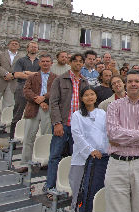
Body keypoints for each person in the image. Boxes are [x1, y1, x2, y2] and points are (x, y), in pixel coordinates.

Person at [105, 70, 139, 212]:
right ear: (125, 84)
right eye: (130, 81)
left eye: (136, 81)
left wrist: (123, 139)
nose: (133, 84)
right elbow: (113, 134)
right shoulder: (113, 106)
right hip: (117, 164)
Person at [46, 53, 88, 193]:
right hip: (63, 123)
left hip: (78, 126)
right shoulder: (60, 79)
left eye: (80, 61)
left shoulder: (84, 81)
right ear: (70, 63)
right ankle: (50, 186)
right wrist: (57, 122)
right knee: (55, 156)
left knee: (75, 157)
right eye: (75, 61)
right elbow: (53, 102)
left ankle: (72, 186)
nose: (78, 63)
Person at [17, 53, 57, 173]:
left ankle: (45, 161)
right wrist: (38, 100)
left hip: (47, 108)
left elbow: (55, 92)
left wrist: (44, 97)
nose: (45, 63)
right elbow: (26, 91)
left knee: (46, 136)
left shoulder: (55, 78)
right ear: (39, 63)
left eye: (47, 61)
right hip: (33, 108)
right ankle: (25, 162)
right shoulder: (32, 77)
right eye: (43, 61)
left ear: (51, 63)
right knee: (29, 136)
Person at [70, 86, 108, 209]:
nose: (89, 97)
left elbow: (107, 133)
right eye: (86, 95)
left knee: (95, 189)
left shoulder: (102, 113)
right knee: (79, 189)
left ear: (96, 96)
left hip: (101, 158)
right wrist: (90, 150)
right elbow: (77, 135)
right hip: (82, 158)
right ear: (81, 98)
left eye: (92, 94)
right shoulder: (77, 115)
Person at [10, 41, 40, 141]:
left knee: (32, 114)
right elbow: (17, 74)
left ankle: (28, 139)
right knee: (18, 112)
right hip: (21, 88)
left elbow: (41, 76)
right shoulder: (21, 60)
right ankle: (12, 139)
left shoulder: (39, 62)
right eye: (32, 47)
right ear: (27, 48)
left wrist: (27, 73)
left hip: (35, 90)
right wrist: (33, 75)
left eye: (35, 47)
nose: (34, 48)